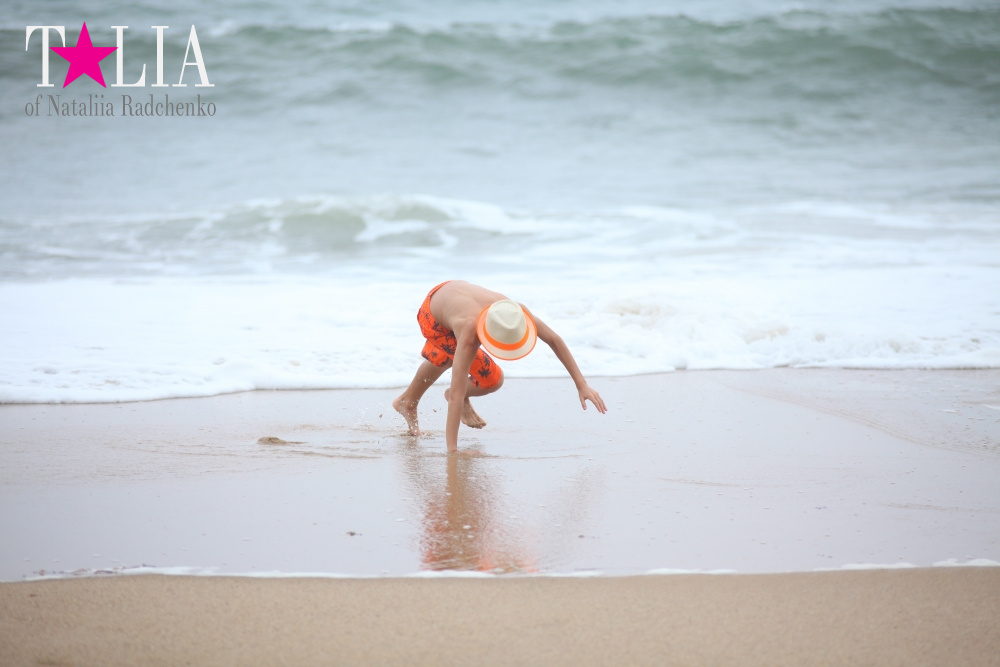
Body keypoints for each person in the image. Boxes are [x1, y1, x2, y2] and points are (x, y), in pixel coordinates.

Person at [393, 280, 607, 452]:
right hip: (432, 315)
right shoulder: (468, 333)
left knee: (449, 355)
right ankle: (408, 401)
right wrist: (453, 451)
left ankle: (408, 400)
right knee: (491, 378)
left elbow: (554, 339)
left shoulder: (513, 313)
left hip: (449, 293)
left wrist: (582, 384)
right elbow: (457, 395)